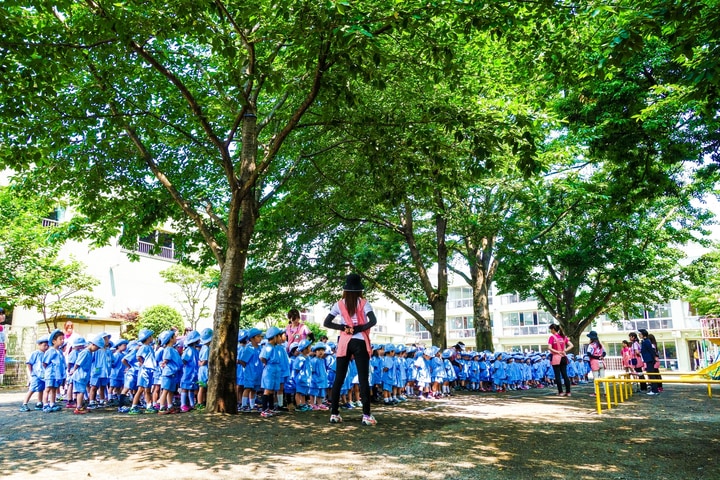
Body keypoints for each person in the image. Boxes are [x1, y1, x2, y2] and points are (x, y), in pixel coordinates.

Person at [323, 273, 377, 426]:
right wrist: (360, 327)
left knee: (339, 378)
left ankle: (334, 413)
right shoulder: (364, 303)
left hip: (344, 342)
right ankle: (366, 415)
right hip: (359, 340)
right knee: (363, 378)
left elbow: (327, 322)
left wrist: (342, 327)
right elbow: (373, 320)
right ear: (360, 289)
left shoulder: (339, 304)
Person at [20, 335, 49, 411]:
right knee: (32, 389)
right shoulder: (35, 353)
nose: (46, 347)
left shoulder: (46, 354)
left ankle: (39, 402)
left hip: (43, 375)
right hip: (36, 375)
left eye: (47, 345)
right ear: (39, 345)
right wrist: (31, 372)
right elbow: (29, 363)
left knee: (41, 389)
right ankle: (24, 403)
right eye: (44, 345)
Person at [547, 324, 573, 397]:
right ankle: (568, 392)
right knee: (565, 375)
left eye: (550, 329)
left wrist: (557, 351)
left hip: (556, 357)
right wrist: (564, 350)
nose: (550, 331)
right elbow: (571, 345)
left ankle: (560, 392)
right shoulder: (563, 337)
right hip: (563, 357)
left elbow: (549, 347)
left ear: (553, 329)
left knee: (557, 375)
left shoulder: (552, 337)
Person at [586, 331, 606, 396]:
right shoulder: (600, 344)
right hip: (601, 362)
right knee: (603, 378)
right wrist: (601, 356)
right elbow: (604, 353)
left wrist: (596, 357)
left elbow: (589, 353)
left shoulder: (591, 345)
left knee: (596, 378)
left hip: (594, 362)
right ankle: (605, 392)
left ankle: (596, 392)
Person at [640, 329, 660, 395]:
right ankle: (654, 389)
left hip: (650, 359)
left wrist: (654, 357)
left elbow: (651, 350)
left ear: (643, 334)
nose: (639, 335)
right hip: (648, 359)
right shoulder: (644, 341)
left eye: (640, 334)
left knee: (652, 375)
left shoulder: (647, 341)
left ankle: (655, 390)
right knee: (650, 374)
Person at [0, 308, 6, 386]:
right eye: (1, 314)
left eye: (2, 314)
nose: (3, 316)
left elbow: (3, 340)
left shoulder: (2, 327)